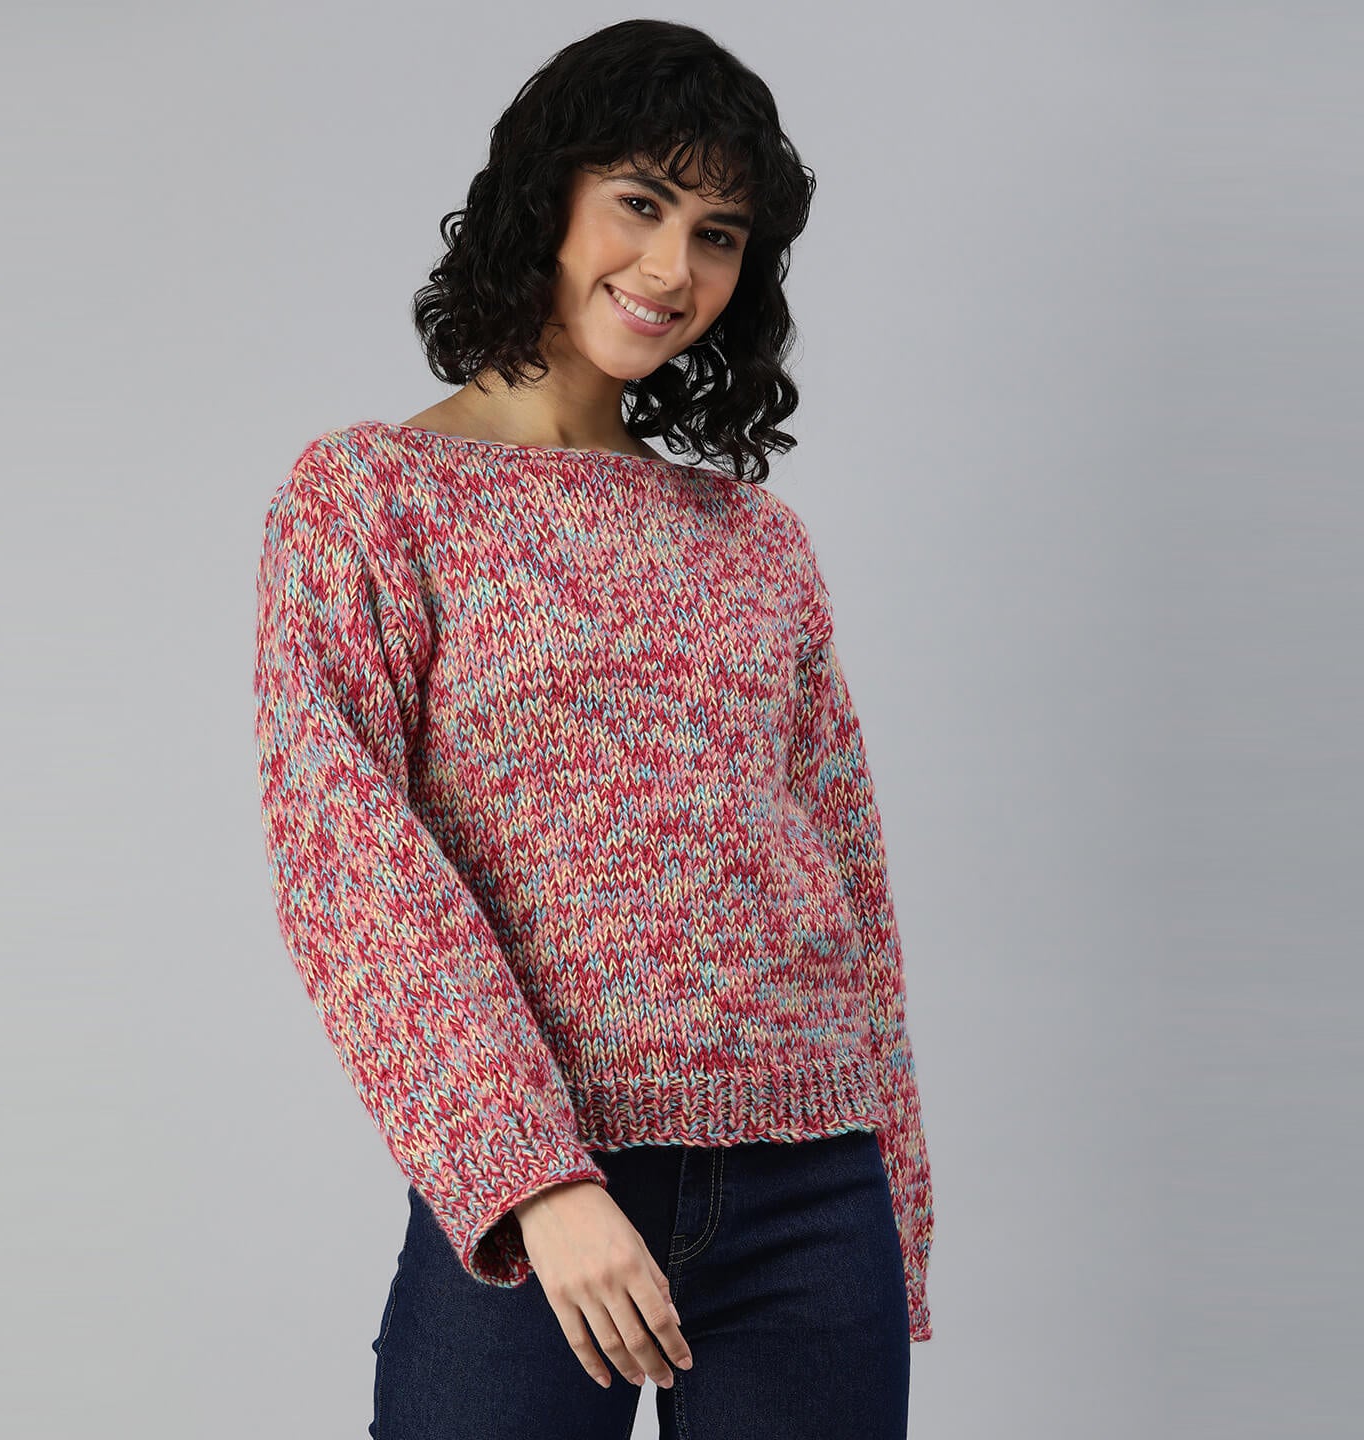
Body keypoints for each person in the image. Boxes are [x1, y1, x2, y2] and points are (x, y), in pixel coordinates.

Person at [252, 18, 935, 1439]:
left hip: (812, 1194)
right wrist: (531, 1176)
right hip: (536, 1194)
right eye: (641, 201)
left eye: (719, 234)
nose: (673, 268)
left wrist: (896, 1206)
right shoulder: (371, 498)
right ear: (545, 196)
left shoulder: (755, 541)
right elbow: (348, 860)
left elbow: (849, 875)